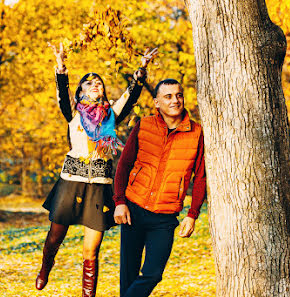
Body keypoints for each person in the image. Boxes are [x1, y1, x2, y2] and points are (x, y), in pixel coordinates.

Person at [35, 42, 158, 297]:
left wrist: (142, 69)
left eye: (98, 82)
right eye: (89, 83)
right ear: (80, 91)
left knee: (91, 251)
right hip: (70, 182)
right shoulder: (74, 114)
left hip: (99, 188)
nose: (95, 85)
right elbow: (61, 92)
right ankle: (46, 265)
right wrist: (60, 66)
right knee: (55, 237)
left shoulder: (111, 115)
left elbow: (131, 95)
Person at [113, 79, 206, 297]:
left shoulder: (196, 133)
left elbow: (200, 177)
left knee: (153, 274)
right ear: (156, 102)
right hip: (133, 210)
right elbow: (124, 166)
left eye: (179, 95)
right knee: (128, 275)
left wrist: (192, 215)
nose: (175, 100)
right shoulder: (144, 125)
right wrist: (119, 202)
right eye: (168, 96)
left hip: (164, 217)